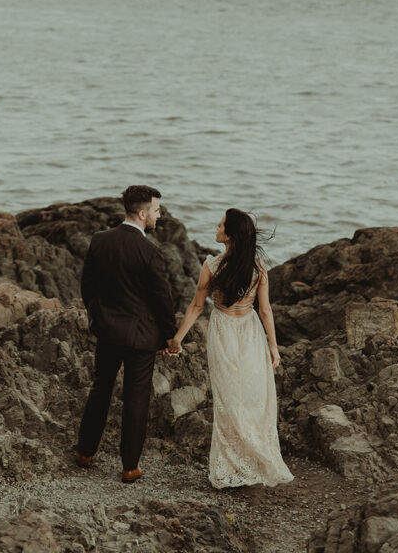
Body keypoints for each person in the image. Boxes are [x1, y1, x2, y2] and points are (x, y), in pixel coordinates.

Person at [169, 208, 294, 489]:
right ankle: (252, 460)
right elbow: (265, 310)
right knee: (251, 398)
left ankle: (233, 465)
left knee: (228, 400)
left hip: (224, 331)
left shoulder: (212, 266)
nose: (216, 227)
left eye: (221, 224)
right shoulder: (258, 266)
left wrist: (178, 338)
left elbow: (197, 306)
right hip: (250, 331)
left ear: (230, 235)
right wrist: (273, 346)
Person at [75, 184, 177, 483]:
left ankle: (85, 453)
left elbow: (87, 287)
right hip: (141, 337)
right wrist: (170, 336)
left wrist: (97, 318)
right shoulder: (150, 250)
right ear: (143, 213)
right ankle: (129, 467)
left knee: (100, 389)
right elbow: (163, 299)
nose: (159, 216)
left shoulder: (100, 240)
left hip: (107, 332)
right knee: (136, 399)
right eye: (156, 211)